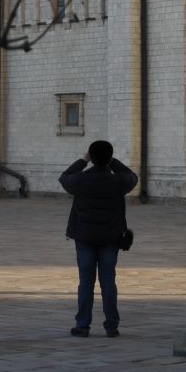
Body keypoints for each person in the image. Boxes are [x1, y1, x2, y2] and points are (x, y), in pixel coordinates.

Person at [60, 140, 137, 338]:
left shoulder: (81, 180)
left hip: (84, 237)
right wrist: (113, 163)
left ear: (92, 158)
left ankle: (82, 325)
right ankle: (111, 325)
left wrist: (83, 160)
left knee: (85, 282)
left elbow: (64, 177)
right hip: (110, 238)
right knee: (108, 281)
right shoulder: (118, 181)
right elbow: (133, 177)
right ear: (109, 158)